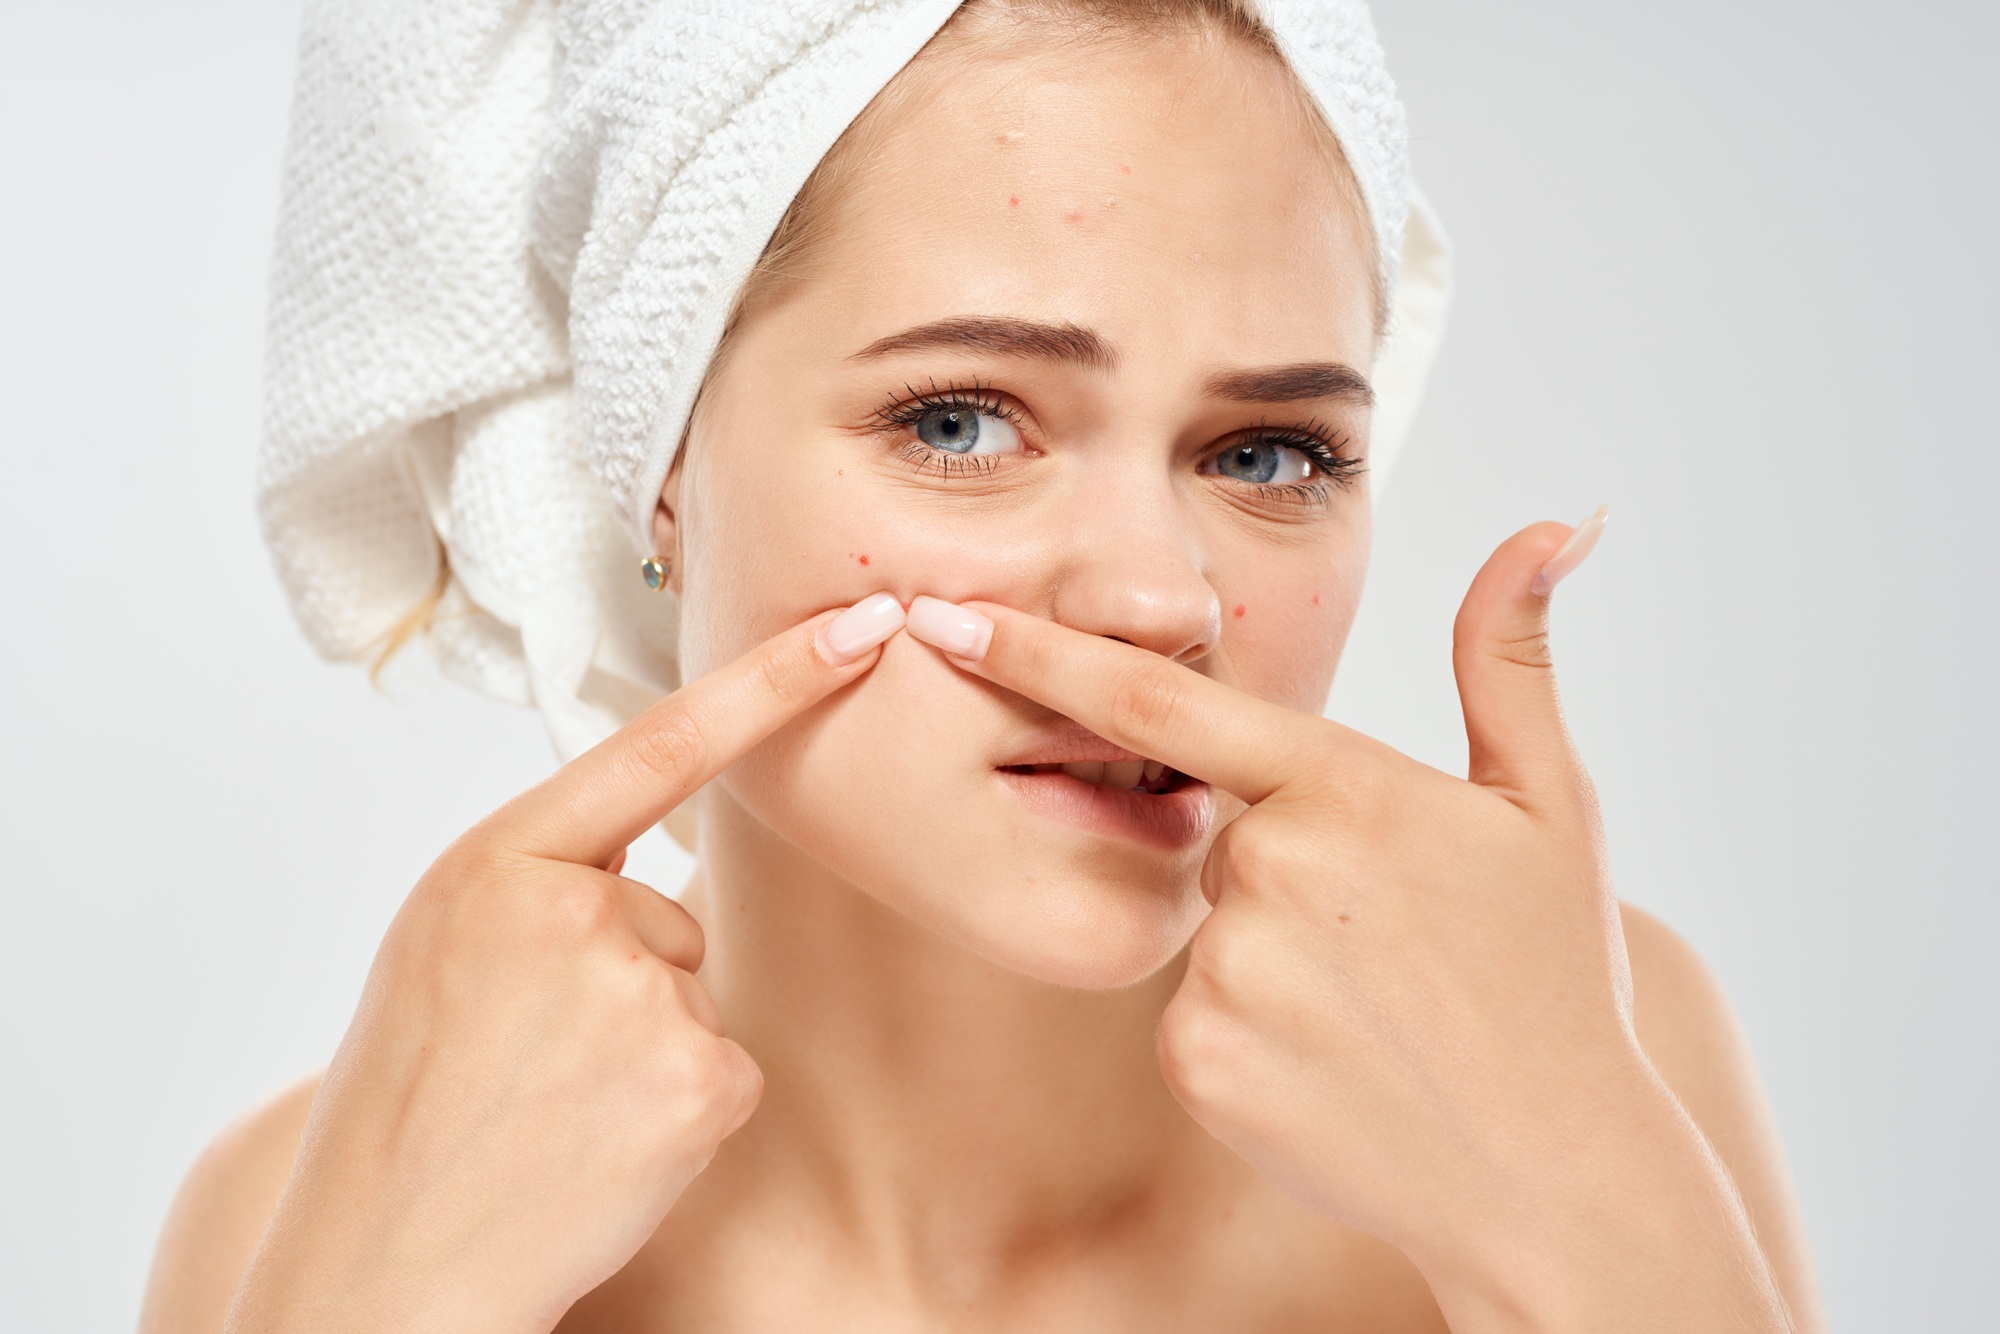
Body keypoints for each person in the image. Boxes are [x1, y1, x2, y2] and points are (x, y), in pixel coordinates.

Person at [142, 1, 1824, 1329]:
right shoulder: (311, 1208)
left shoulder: (1595, 1051)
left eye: (1270, 453)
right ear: (657, 471)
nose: (1163, 603)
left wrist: (1591, 1232)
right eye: (960, 421)